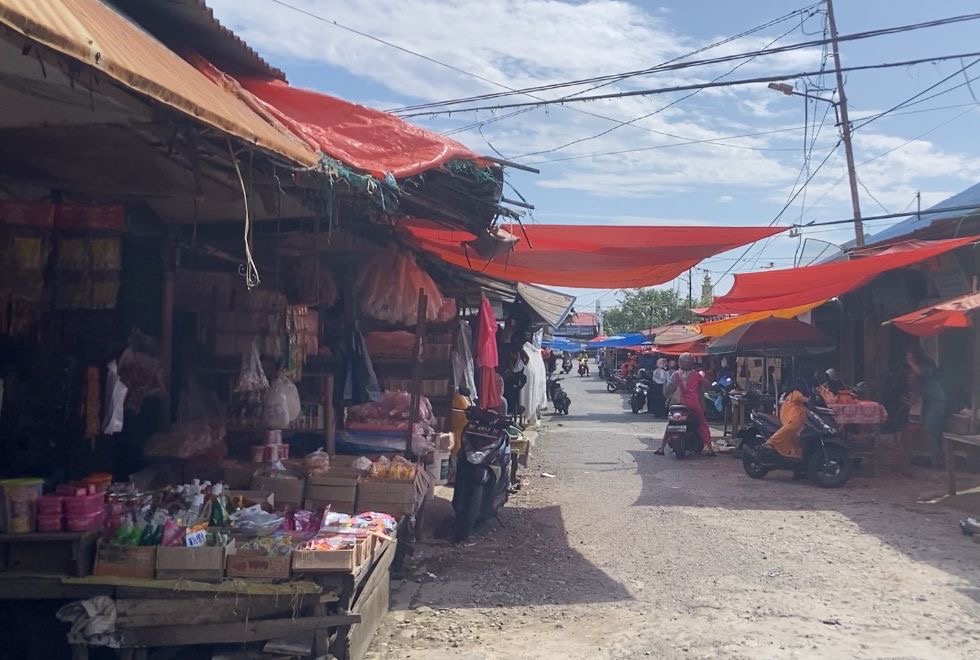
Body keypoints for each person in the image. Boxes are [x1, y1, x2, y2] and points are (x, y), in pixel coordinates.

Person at [655, 353, 715, 456]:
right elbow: (704, 389)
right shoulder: (697, 375)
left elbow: (669, 388)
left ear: (679, 362)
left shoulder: (676, 374)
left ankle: (661, 448)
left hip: (679, 404)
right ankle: (709, 448)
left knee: (671, 424)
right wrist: (703, 406)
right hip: (694, 404)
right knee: (703, 425)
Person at [907, 347, 946, 466]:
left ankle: (937, 460)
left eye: (909, 355)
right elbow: (917, 386)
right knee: (925, 427)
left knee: (932, 428)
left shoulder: (927, 363)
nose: (908, 357)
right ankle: (929, 457)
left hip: (936, 399)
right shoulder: (914, 367)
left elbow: (922, 373)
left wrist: (911, 363)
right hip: (926, 401)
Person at [765, 377, 810, 460]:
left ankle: (796, 455)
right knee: (791, 428)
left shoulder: (790, 393)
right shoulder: (796, 393)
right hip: (791, 417)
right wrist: (812, 399)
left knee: (796, 437)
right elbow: (806, 400)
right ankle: (771, 442)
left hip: (789, 416)